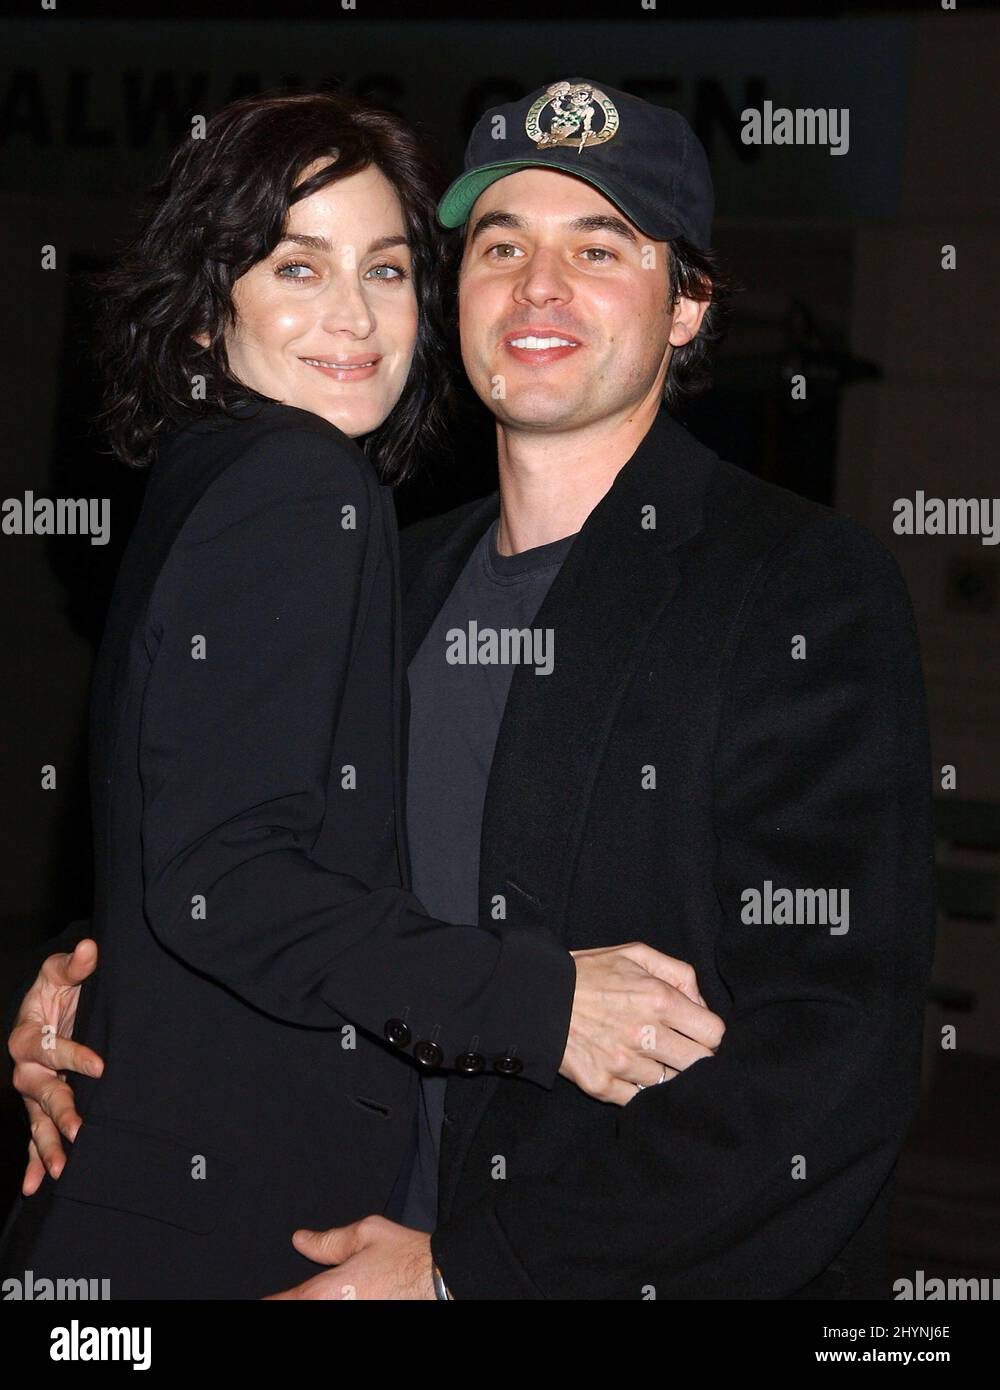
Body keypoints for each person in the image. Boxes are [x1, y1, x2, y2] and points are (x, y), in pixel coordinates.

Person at [0, 88, 722, 1300]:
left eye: (385, 271)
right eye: (297, 267)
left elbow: (194, 831)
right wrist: (545, 1002)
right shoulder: (299, 486)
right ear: (199, 316)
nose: (353, 317)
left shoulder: (240, 486)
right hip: (226, 1228)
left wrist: (96, 969)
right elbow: (224, 875)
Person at [260, 79, 935, 1299]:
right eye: (501, 244)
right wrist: (88, 979)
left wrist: (474, 1272)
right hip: (346, 1241)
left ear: (687, 306)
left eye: (600, 245)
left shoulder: (799, 587)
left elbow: (831, 1046)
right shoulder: (386, 577)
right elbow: (272, 875)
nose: (536, 287)